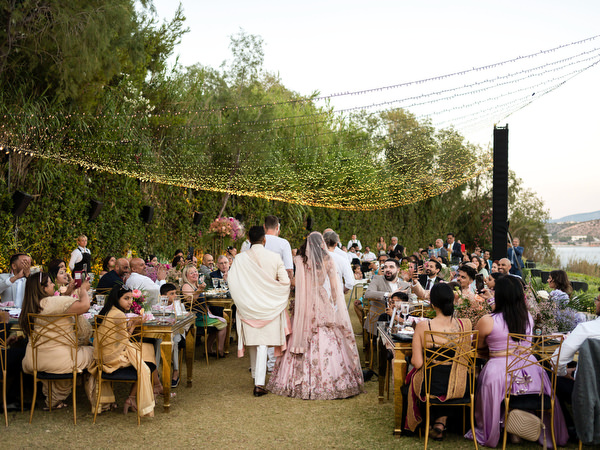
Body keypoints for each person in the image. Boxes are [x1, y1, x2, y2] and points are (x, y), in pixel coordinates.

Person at [466, 276, 568, 447]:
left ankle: (502, 428)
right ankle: (516, 429)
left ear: (500, 296)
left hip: (499, 371)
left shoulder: (487, 320)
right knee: (517, 388)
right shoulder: (528, 318)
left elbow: (478, 346)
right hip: (531, 371)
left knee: (486, 381)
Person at [267, 231, 363, 399]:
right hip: (321, 298)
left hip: (304, 300)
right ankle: (331, 379)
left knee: (301, 330)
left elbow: (296, 282)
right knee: (326, 333)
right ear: (321, 244)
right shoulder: (328, 260)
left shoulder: (300, 259)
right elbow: (335, 288)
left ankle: (293, 378)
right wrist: (333, 303)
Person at [228, 226, 290, 397]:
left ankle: (257, 376)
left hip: (248, 307)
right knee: (262, 344)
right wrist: (273, 295)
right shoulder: (274, 257)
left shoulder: (239, 259)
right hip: (270, 307)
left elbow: (231, 283)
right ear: (264, 240)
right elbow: (285, 283)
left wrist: (242, 300)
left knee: (256, 343)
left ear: (248, 238)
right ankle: (259, 383)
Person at [404, 283, 473, 438]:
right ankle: (440, 422)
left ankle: (430, 421)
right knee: (444, 375)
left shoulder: (423, 326)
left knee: (418, 377)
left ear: (432, 303)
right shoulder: (466, 324)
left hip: (432, 386)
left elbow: (417, 363)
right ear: (453, 301)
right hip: (462, 384)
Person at [20, 272, 94, 409]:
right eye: (50, 282)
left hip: (35, 360)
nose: (54, 284)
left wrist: (69, 293)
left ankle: (54, 399)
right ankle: (100, 399)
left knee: (63, 358)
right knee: (96, 353)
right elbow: (84, 306)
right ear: (43, 288)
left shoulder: (31, 305)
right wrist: (83, 290)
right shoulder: (52, 302)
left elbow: (57, 305)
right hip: (62, 361)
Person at [91, 285, 155, 417]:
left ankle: (137, 395)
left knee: (146, 350)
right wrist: (134, 325)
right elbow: (124, 341)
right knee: (148, 353)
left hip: (102, 356)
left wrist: (131, 324)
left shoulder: (107, 311)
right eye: (126, 298)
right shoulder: (119, 314)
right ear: (117, 298)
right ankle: (133, 396)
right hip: (112, 359)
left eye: (131, 298)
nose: (130, 302)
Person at [551, 289, 600, 440]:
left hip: (590, 390)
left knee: (550, 378)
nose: (595, 302)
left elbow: (555, 360)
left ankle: (571, 427)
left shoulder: (587, 329)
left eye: (597, 299)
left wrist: (563, 372)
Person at [181, 265, 226, 357]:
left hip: (203, 315)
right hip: (196, 318)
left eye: (196, 271)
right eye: (191, 272)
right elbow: (190, 300)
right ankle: (220, 350)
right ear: (186, 275)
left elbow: (202, 302)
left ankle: (209, 349)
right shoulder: (186, 286)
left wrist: (209, 312)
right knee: (223, 323)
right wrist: (200, 289)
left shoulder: (196, 285)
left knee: (219, 320)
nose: (195, 274)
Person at [160, 283, 184, 388]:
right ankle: (155, 373)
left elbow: (183, 323)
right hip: (163, 333)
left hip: (178, 332)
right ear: (164, 296)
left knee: (174, 341)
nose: (175, 296)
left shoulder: (179, 305)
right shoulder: (159, 307)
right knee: (157, 342)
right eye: (172, 294)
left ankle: (175, 371)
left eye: (175, 293)